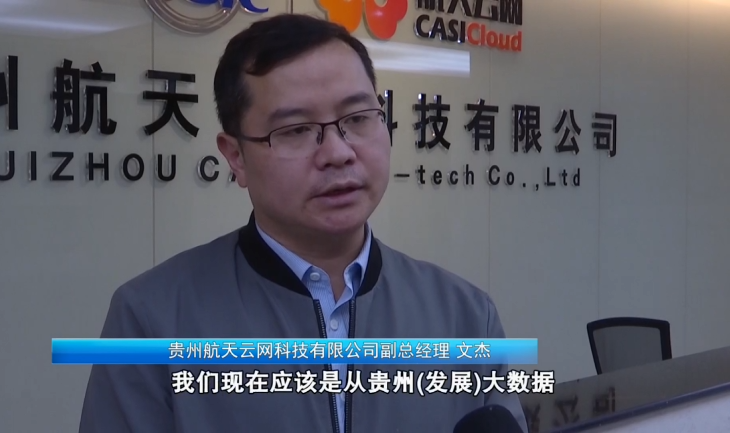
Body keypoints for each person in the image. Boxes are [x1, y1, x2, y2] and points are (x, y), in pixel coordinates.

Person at [79, 13, 528, 433]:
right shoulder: (151, 320)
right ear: (235, 156)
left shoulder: (466, 317)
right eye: (295, 129)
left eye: (358, 119)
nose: (338, 152)